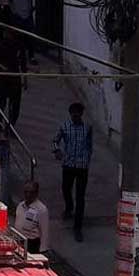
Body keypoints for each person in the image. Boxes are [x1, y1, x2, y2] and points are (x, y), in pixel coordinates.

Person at [53, 102, 93, 242]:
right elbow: (55, 140)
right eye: (73, 113)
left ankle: (78, 227)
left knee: (80, 197)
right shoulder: (64, 127)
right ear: (70, 114)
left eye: (78, 113)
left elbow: (90, 145)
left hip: (82, 166)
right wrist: (57, 150)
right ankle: (69, 206)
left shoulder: (87, 128)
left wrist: (87, 158)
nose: (75, 116)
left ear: (81, 114)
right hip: (68, 164)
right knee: (66, 188)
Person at [0, 28, 27, 127]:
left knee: (14, 103)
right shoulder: (0, 45)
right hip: (4, 77)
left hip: (14, 77)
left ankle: (10, 125)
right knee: (2, 101)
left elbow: (23, 63)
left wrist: (25, 79)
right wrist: (1, 66)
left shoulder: (19, 46)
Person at [7, 0, 37, 64]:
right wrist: (14, 12)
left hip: (27, 16)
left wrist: (32, 9)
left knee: (30, 37)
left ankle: (31, 56)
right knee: (17, 37)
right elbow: (9, 1)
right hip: (17, 17)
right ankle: (19, 55)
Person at [14, 181, 50, 253]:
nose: (28, 195)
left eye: (31, 192)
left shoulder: (41, 209)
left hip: (32, 244)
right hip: (19, 241)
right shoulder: (20, 205)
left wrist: (43, 250)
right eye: (26, 192)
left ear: (36, 193)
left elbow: (45, 231)